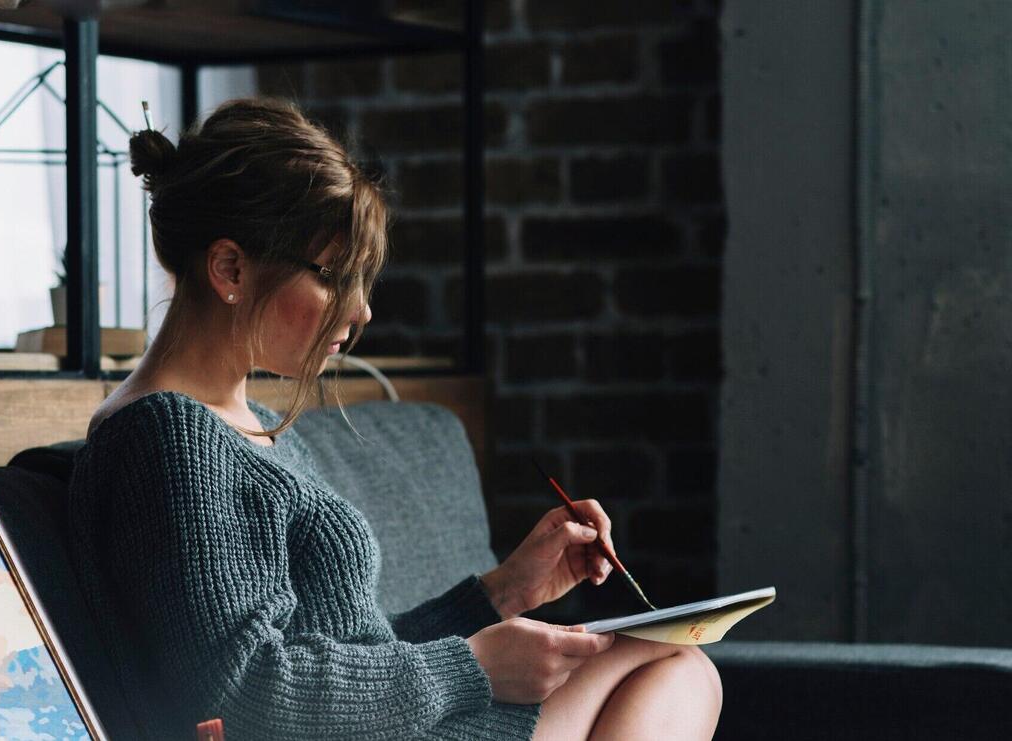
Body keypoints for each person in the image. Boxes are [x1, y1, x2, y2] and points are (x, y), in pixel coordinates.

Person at [67, 97, 722, 740]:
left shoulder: (250, 425)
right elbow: (242, 694)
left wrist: (502, 593)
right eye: (334, 277)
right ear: (230, 267)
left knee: (675, 663)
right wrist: (476, 667)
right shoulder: (167, 435)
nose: (360, 312)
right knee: (673, 667)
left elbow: (356, 653)